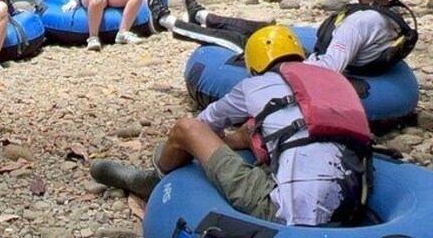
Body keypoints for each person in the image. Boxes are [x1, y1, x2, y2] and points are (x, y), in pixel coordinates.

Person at [95, 25, 371, 226]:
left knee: (185, 129)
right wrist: (243, 138)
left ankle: (152, 180)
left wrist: (222, 139)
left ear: (254, 66)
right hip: (353, 201)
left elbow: (203, 124)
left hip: (284, 213)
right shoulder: (332, 80)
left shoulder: (253, 85)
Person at [145, 0, 417, 75]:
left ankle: (166, 22)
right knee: (267, 27)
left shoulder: (359, 23)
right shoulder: (389, 13)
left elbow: (330, 68)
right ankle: (203, 16)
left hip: (313, 65)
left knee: (240, 43)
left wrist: (287, 63)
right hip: (344, 52)